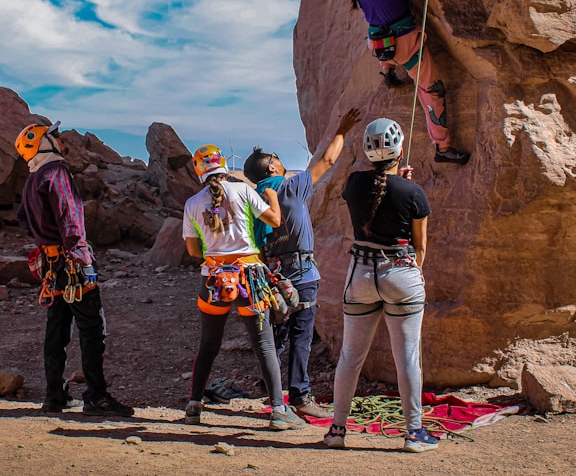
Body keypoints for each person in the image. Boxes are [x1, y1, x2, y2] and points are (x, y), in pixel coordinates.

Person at [322, 117, 440, 453]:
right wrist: (412, 277)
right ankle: (414, 433)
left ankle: (337, 431)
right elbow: (420, 246)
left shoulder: (354, 183)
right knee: (407, 357)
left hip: (360, 274)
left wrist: (393, 183)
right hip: (400, 273)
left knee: (350, 356)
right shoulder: (413, 192)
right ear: (400, 150)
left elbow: (375, 193)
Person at [242, 108, 362, 420]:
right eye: (278, 157)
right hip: (301, 273)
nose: (282, 161)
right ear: (272, 165)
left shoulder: (250, 198)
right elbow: (327, 162)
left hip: (269, 276)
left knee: (276, 336)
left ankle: (273, 392)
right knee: (301, 336)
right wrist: (342, 130)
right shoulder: (290, 187)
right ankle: (299, 395)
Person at [14, 121, 134, 418]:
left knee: (57, 330)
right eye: (53, 136)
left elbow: (23, 218)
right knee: (92, 328)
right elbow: (70, 218)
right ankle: (95, 396)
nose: (59, 139)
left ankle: (54, 396)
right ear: (43, 144)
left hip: (51, 265)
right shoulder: (56, 172)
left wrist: (46, 241)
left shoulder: (33, 179)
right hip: (72, 263)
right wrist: (83, 258)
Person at [182, 144, 305, 431]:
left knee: (208, 345)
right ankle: (278, 410)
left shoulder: (192, 203)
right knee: (264, 345)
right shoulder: (243, 191)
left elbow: (192, 251)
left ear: (198, 169)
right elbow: (274, 220)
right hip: (249, 276)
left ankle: (193, 405)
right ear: (223, 164)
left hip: (213, 280)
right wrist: (273, 197)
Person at [337, 0, 470, 165]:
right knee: (431, 90)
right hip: (404, 42)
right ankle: (442, 146)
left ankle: (387, 71)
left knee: (382, 31)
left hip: (380, 45)